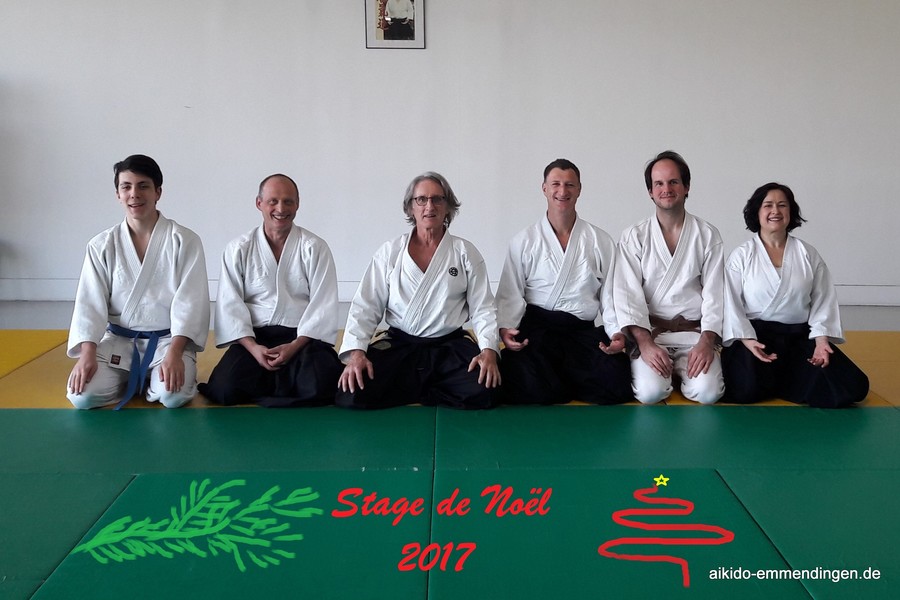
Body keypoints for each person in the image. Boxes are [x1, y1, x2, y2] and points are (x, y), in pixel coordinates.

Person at [336, 171, 500, 409]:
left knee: (487, 389)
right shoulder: (390, 252)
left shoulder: (465, 252)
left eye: (437, 199)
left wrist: (488, 351)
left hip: (449, 346)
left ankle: (412, 386)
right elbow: (366, 306)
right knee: (351, 392)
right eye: (421, 199)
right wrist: (357, 354)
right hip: (401, 345)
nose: (429, 206)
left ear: (448, 207)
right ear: (410, 207)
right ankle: (430, 387)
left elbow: (483, 307)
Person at [66, 155, 209, 409]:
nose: (134, 194)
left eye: (143, 186)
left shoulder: (184, 240)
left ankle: (153, 378)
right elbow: (89, 303)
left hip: (167, 343)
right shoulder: (101, 245)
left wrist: (176, 353)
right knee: (82, 396)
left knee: (172, 396)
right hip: (118, 343)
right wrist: (87, 355)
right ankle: (133, 379)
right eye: (126, 187)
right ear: (118, 194)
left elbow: (191, 302)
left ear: (158, 192)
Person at [494, 159, 632, 405]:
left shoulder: (600, 240)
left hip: (580, 333)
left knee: (616, 380)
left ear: (579, 189)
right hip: (538, 331)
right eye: (556, 184)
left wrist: (616, 331)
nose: (562, 191)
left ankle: (558, 381)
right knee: (520, 376)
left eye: (570, 185)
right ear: (544, 188)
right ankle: (565, 381)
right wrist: (506, 328)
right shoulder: (523, 241)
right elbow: (510, 294)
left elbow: (610, 295)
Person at [198, 174, 342, 407]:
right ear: (259, 203)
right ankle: (279, 384)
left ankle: (275, 382)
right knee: (225, 389)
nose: (281, 209)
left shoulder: (314, 247)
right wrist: (254, 348)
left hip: (302, 338)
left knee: (323, 383)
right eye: (273, 201)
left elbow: (322, 304)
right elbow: (230, 305)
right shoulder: (238, 248)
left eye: (288, 202)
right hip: (256, 338)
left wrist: (294, 346)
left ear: (297, 204)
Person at [722, 182, 868, 407]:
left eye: (782, 205)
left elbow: (823, 300)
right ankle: (786, 379)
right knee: (744, 390)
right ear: (757, 212)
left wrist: (821, 341)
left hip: (798, 339)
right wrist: (748, 340)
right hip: (755, 338)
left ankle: (783, 379)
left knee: (852, 386)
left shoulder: (807, 254)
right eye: (768, 205)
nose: (775, 211)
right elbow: (730, 303)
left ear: (791, 211)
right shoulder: (741, 256)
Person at [614, 150, 725, 405]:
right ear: (650, 191)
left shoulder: (708, 235)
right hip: (652, 334)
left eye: (674, 182)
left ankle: (684, 370)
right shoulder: (634, 236)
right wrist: (644, 343)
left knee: (708, 393)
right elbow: (627, 295)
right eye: (659, 183)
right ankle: (664, 372)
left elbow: (715, 294)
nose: (666, 189)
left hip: (695, 334)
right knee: (650, 393)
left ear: (686, 187)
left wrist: (707, 341)